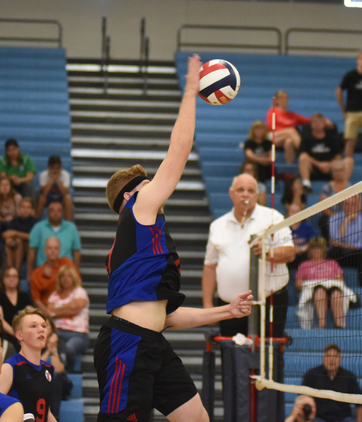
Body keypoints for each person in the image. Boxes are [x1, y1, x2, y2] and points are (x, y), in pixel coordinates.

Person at [95, 55, 253, 422]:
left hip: (150, 341)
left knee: (197, 418)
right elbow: (179, 153)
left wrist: (225, 311)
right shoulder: (138, 210)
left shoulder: (145, 237)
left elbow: (164, 317)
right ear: (132, 196)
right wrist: (189, 91)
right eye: (150, 183)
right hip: (126, 344)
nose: (158, 187)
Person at [202, 173, 293, 338]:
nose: (245, 194)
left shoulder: (273, 218)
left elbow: (289, 253)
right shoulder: (218, 226)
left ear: (257, 195)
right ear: (231, 193)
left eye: (250, 190)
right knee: (232, 357)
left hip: (269, 302)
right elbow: (210, 267)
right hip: (229, 306)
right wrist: (208, 305)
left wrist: (268, 253)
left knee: (268, 358)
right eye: (240, 190)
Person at [0, 307, 56, 422]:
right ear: (19, 335)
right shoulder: (10, 367)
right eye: (33, 326)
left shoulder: (48, 368)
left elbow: (47, 412)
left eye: (43, 326)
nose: (41, 330)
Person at [336, 50, 362, 167]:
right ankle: (347, 164)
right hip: (352, 112)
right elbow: (339, 90)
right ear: (357, 60)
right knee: (350, 140)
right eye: (361, 58)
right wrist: (343, 109)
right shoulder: (350, 76)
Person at [301, 344, 362, 422]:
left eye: (335, 356)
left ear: (340, 359)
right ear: (323, 358)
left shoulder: (349, 377)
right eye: (328, 356)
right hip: (319, 419)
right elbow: (302, 401)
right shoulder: (311, 375)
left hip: (343, 419)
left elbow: (360, 405)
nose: (331, 359)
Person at [295, 237, 349, 329]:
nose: (316, 251)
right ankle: (321, 323)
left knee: (336, 292)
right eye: (314, 248)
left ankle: (339, 325)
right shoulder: (304, 265)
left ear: (323, 250)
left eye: (319, 248)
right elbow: (298, 284)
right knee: (320, 290)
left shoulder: (332, 263)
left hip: (332, 290)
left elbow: (340, 281)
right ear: (309, 250)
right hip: (314, 293)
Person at [47, 265, 89, 373]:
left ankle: (67, 373)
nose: (65, 279)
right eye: (63, 276)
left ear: (73, 278)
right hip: (57, 332)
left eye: (69, 276)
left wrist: (57, 310)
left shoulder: (80, 292)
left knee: (68, 349)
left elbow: (76, 310)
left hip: (78, 333)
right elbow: (49, 312)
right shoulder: (54, 295)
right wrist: (68, 306)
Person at [298, 113, 353, 195]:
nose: (317, 124)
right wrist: (319, 164)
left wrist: (330, 164)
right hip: (314, 168)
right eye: (315, 122)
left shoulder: (331, 135)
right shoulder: (307, 136)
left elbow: (338, 155)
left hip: (331, 168)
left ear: (324, 123)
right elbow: (302, 153)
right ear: (311, 124)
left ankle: (344, 186)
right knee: (303, 158)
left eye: (319, 122)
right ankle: (306, 185)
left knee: (349, 160)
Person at [26, 201, 81, 282]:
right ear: (47, 213)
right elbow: (31, 252)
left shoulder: (72, 228)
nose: (55, 213)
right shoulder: (38, 227)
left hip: (65, 274)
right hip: (43, 274)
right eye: (52, 210)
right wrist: (29, 274)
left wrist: (75, 273)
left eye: (59, 210)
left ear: (63, 213)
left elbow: (76, 254)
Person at [327, 194, 362, 287]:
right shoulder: (334, 219)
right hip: (340, 255)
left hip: (353, 256)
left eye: (352, 204)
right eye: (347, 204)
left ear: (356, 206)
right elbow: (336, 240)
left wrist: (343, 245)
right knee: (334, 251)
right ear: (343, 205)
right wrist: (346, 221)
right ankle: (334, 284)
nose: (350, 207)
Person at [29, 237, 76, 315]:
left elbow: (77, 283)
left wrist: (63, 310)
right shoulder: (36, 274)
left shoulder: (66, 263)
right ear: (45, 250)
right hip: (46, 313)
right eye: (50, 248)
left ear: (59, 250)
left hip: (68, 309)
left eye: (56, 248)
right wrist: (49, 315)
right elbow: (36, 300)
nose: (53, 251)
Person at [266, 90, 311, 164]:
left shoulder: (291, 115)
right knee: (291, 131)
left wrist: (324, 120)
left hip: (286, 137)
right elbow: (271, 126)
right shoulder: (272, 111)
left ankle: (289, 166)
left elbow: (307, 120)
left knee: (289, 142)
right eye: (281, 98)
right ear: (276, 100)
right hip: (273, 136)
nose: (283, 100)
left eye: (285, 98)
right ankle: (304, 151)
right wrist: (287, 130)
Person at [0, 267, 33, 351]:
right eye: (8, 276)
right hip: (5, 334)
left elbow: (31, 315)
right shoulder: (0, 296)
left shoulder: (24, 296)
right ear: (3, 279)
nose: (11, 279)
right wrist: (16, 334)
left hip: (23, 333)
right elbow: (1, 320)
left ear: (18, 279)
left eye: (14, 276)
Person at [318, 160, 352, 242]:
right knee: (323, 220)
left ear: (344, 171)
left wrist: (348, 217)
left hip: (348, 216)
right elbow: (323, 207)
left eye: (340, 170)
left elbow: (358, 205)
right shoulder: (327, 188)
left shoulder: (351, 187)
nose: (338, 173)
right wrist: (335, 218)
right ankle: (329, 245)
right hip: (331, 216)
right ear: (332, 173)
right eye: (336, 171)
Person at [41, 316, 67, 421]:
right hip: (40, 381)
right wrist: (48, 350)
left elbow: (59, 369)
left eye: (44, 326)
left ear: (52, 328)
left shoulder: (60, 344)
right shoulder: (33, 344)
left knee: (54, 375)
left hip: (60, 383)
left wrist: (54, 348)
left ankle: (55, 417)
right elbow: (34, 366)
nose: (41, 329)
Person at [3, 198, 37, 271]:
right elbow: (6, 234)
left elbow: (33, 237)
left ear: (32, 210)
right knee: (9, 243)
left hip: (30, 248)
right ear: (19, 208)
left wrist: (16, 233)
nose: (25, 210)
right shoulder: (15, 220)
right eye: (23, 207)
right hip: (15, 246)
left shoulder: (35, 221)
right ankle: (9, 269)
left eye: (28, 207)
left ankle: (16, 271)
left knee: (19, 241)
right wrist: (9, 239)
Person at [36, 155, 73, 221]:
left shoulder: (66, 175)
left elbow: (65, 193)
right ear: (48, 168)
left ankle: (69, 224)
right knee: (41, 199)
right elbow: (44, 193)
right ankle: (35, 222)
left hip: (60, 197)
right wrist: (52, 180)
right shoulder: (43, 175)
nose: (55, 170)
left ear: (61, 168)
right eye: (52, 168)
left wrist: (58, 180)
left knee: (68, 199)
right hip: (48, 197)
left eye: (57, 168)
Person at [288, 204, 318, 270]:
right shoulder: (284, 228)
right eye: (292, 212)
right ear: (288, 213)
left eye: (297, 212)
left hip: (303, 254)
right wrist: (292, 249)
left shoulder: (308, 227)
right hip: (289, 254)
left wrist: (302, 248)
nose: (295, 214)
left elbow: (314, 242)